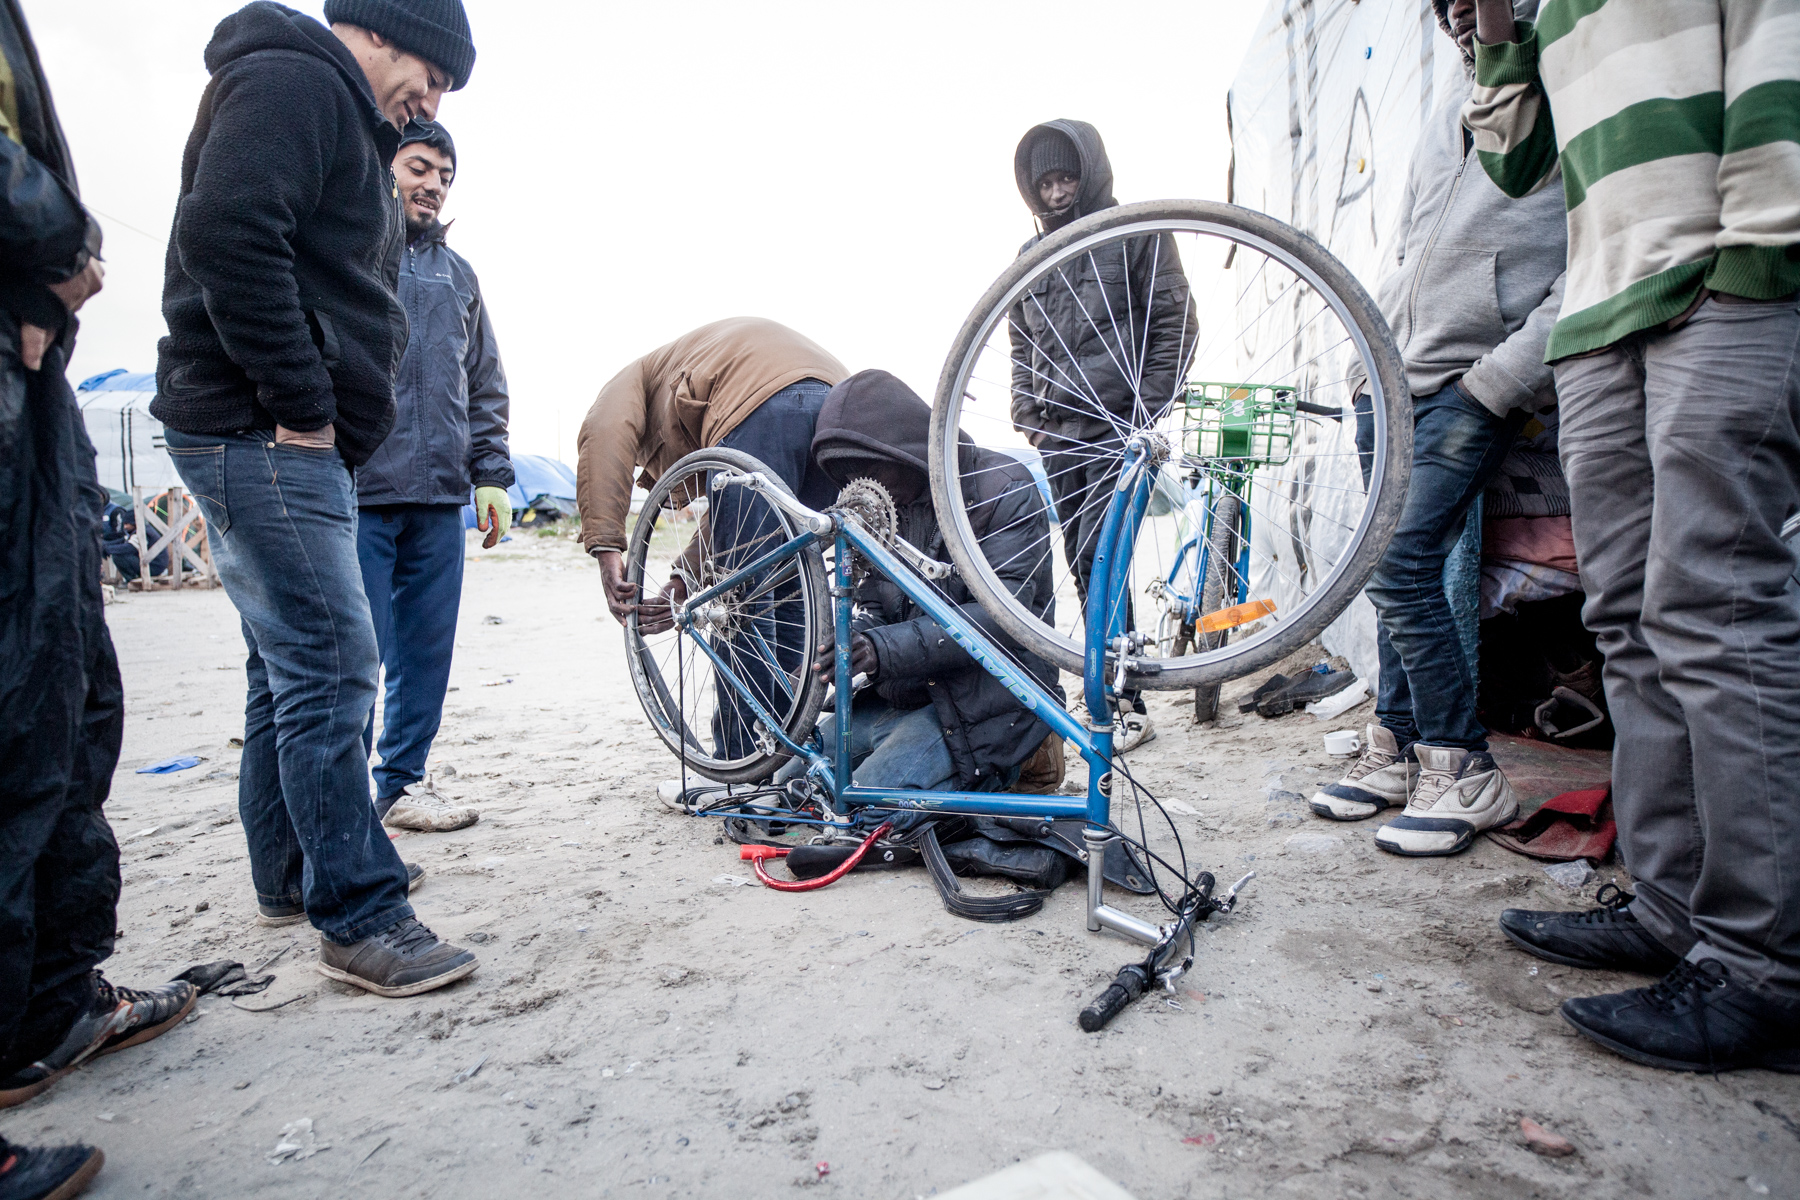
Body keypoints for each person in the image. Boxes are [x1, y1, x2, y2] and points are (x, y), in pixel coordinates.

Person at [1466, 0, 1800, 1071]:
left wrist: (1758, 257)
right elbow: (1519, 165)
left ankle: (1766, 970)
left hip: (1722, 284)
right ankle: (1671, 912)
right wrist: (1495, 34)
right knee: (1627, 619)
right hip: (1600, 319)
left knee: (1719, 610)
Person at [153, 0, 481, 999]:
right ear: (384, 29)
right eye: (433, 73)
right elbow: (228, 235)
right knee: (335, 658)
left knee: (282, 662)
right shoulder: (296, 81)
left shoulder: (337, 107)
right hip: (260, 427)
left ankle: (292, 873)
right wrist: (302, 402)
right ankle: (360, 910)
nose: (431, 101)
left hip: (278, 433)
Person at [0, 0, 192, 1192]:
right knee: (24, 707)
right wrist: (61, 241)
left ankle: (46, 1008)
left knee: (67, 705)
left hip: (38, 381)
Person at [1310, 0, 1567, 858]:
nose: (1460, 9)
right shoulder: (1444, 107)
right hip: (1390, 377)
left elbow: (1591, 257)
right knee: (1392, 566)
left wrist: (1503, 378)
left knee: (1400, 560)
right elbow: (1411, 247)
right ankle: (1398, 745)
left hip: (1476, 378)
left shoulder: (1562, 81)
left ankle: (1464, 768)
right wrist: (1365, 359)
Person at [775, 370, 1062, 794]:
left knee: (861, 806)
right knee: (790, 788)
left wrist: (879, 650)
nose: (867, 487)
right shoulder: (882, 509)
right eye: (852, 476)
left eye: (875, 471)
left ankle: (1037, 755)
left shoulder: (1003, 487)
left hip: (988, 702)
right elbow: (876, 611)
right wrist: (844, 645)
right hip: (909, 695)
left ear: (907, 451)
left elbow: (1003, 619)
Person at [577, 318, 847, 761]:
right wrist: (683, 579)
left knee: (740, 605)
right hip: (837, 408)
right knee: (791, 587)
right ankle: (789, 753)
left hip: (761, 405)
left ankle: (744, 762)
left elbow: (602, 440)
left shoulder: (632, 379)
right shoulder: (700, 357)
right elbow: (735, 527)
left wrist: (606, 552)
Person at [1007, 120, 1195, 751]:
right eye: (1046, 184)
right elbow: (1019, 342)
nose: (1058, 192)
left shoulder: (1133, 231)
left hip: (1120, 425)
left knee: (1105, 554)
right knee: (1083, 560)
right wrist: (1026, 414)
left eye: (1067, 178)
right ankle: (1109, 690)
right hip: (1059, 434)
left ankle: (1123, 701)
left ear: (1090, 174)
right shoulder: (1028, 258)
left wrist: (1148, 405)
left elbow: (1176, 317)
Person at [356, 118, 510, 833]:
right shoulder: (352, 251)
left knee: (425, 658)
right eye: (419, 167)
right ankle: (342, 807)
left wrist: (492, 475)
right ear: (386, 165)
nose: (432, 185)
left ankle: (400, 785)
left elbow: (484, 382)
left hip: (441, 497)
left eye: (444, 176)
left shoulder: (460, 274)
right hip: (357, 490)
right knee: (356, 662)